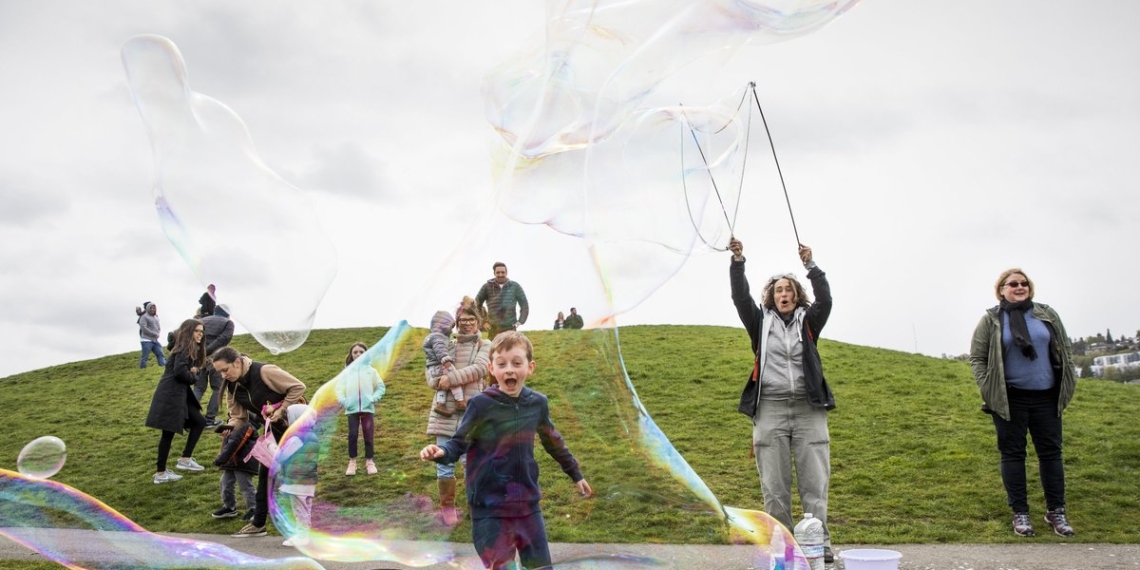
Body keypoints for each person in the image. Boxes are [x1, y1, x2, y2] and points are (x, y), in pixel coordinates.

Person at [420, 331, 593, 570]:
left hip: (526, 504)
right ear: (492, 368)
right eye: (502, 364)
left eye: (516, 363)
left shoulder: (537, 403)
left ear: (530, 367)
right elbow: (460, 441)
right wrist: (442, 452)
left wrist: (576, 474)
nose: (509, 369)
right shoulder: (480, 404)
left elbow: (553, 441)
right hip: (488, 505)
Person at [729, 238, 835, 563]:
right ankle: (786, 549)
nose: (784, 294)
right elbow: (739, 297)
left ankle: (818, 544)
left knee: (814, 483)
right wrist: (738, 261)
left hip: (809, 409)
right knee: (774, 487)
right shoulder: (759, 322)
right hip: (770, 409)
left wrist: (811, 267)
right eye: (778, 291)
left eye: (789, 289)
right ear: (772, 297)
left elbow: (826, 299)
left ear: (797, 294)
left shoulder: (809, 321)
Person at [969, 268, 1077, 538]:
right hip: (1009, 398)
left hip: (1046, 397)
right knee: (1013, 454)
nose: (1020, 287)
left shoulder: (1047, 314)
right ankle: (1020, 513)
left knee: (1051, 455)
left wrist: (1069, 381)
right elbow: (977, 358)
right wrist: (989, 387)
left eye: (1024, 283)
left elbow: (1065, 349)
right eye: (1013, 284)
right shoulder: (992, 319)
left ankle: (1056, 511)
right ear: (1001, 289)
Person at [211, 346, 307, 538]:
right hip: (272, 434)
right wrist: (230, 429)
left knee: (295, 478)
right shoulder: (232, 385)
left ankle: (302, 529)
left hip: (295, 430)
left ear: (237, 363)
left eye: (225, 370)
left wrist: (282, 409)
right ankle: (259, 524)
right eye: (219, 372)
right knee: (266, 476)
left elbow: (298, 386)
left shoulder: (264, 371)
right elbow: (238, 417)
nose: (222, 375)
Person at [424, 304, 490, 526]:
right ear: (456, 322)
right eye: (462, 319)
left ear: (478, 322)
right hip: (445, 411)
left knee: (472, 462)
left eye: (471, 319)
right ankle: (447, 509)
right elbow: (432, 375)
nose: (467, 323)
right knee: (444, 462)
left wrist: (450, 379)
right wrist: (436, 380)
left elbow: (480, 369)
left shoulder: (485, 344)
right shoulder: (446, 344)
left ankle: (474, 505)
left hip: (473, 411)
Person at [144, 318, 208, 483]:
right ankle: (160, 474)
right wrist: (193, 374)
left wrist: (193, 372)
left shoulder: (189, 349)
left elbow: (191, 372)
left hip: (180, 394)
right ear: (189, 331)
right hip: (171, 395)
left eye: (202, 331)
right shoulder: (183, 349)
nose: (200, 334)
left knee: (199, 422)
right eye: (197, 331)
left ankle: (185, 460)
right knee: (168, 433)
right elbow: (181, 373)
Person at [336, 342, 386, 476]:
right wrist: (345, 401)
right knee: (352, 435)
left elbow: (381, 387)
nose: (358, 354)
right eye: (355, 352)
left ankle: (370, 462)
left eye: (361, 352)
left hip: (367, 409)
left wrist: (373, 399)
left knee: (368, 435)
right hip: (351, 409)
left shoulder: (371, 371)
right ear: (351, 355)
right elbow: (339, 389)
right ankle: (352, 462)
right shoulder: (346, 372)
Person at [276, 403, 320, 548]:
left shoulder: (297, 437)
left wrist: (271, 448)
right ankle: (303, 534)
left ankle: (302, 537)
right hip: (308, 479)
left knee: (299, 509)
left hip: (297, 480)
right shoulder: (312, 435)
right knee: (305, 509)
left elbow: (282, 456)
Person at [211, 419, 259, 522]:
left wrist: (221, 459)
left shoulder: (245, 424)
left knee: (245, 485)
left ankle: (254, 509)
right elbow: (229, 443)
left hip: (243, 460)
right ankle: (229, 507)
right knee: (225, 483)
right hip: (231, 461)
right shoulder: (233, 422)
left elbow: (236, 443)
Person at [194, 307, 234, 428]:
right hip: (216, 359)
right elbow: (223, 339)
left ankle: (188, 417)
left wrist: (200, 353)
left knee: (198, 388)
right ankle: (209, 420)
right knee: (218, 388)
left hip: (199, 358)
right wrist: (208, 351)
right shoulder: (228, 323)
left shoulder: (202, 321)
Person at [423, 310, 464, 415]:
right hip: (441, 365)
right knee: (455, 379)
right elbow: (440, 349)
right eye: (451, 327)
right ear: (444, 325)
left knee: (442, 385)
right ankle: (460, 401)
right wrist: (446, 360)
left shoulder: (431, 336)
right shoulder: (438, 336)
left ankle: (440, 404)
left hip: (433, 368)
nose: (451, 330)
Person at [475, 262, 529, 338]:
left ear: (506, 273)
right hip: (493, 329)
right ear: (494, 273)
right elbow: (476, 305)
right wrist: (483, 322)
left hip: (510, 328)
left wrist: (520, 321)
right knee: (493, 349)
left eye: (503, 272)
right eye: (498, 272)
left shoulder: (515, 286)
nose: (500, 274)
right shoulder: (486, 287)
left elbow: (524, 305)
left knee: (510, 349)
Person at [138, 302, 165, 368]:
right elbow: (143, 328)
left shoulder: (156, 317)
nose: (153, 309)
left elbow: (158, 327)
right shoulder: (144, 317)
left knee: (160, 353)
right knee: (145, 356)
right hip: (146, 340)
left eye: (154, 308)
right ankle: (143, 368)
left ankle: (163, 366)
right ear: (147, 308)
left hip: (155, 340)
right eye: (151, 308)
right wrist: (153, 334)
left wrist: (158, 333)